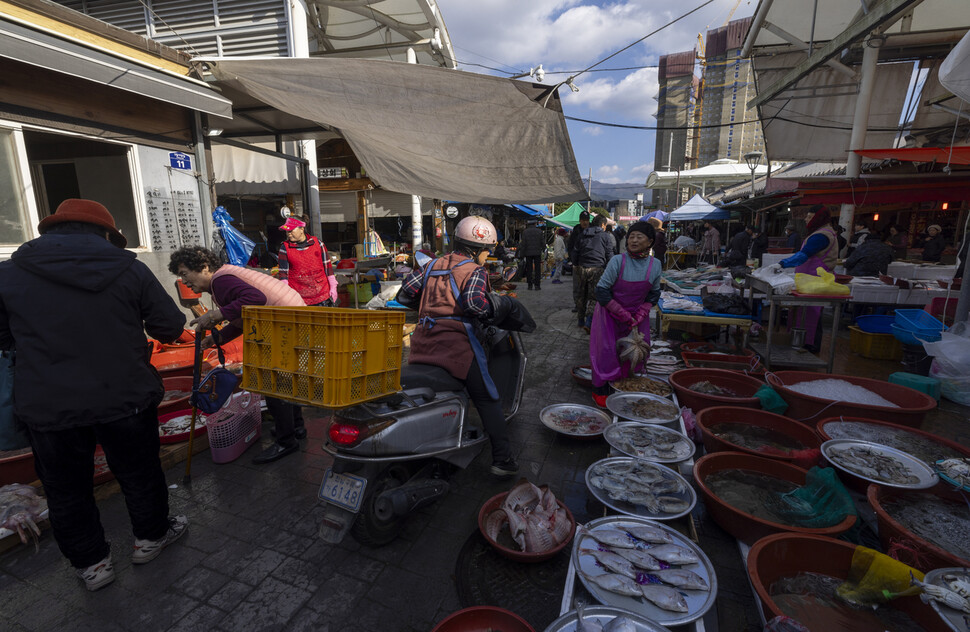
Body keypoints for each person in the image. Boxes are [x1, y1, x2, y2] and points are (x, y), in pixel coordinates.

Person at [0, 199, 188, 591]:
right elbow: (169, 327)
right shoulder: (129, 268)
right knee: (139, 472)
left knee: (65, 489)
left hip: (49, 403)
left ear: (49, 230)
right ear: (106, 235)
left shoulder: (8, 273)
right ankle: (151, 539)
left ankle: (93, 566)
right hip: (125, 396)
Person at [395, 216, 519, 477]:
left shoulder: (432, 265)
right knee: (487, 397)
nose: (487, 256)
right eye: (487, 250)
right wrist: (493, 309)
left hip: (423, 343)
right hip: (456, 346)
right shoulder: (474, 270)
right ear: (476, 249)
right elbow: (474, 304)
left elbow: (404, 293)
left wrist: (429, 308)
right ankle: (502, 459)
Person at [168, 246, 307, 465]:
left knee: (273, 384)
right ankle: (295, 427)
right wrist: (219, 338)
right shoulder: (225, 277)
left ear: (204, 267)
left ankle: (286, 441)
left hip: (287, 325)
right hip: (294, 322)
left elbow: (255, 298)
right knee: (284, 381)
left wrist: (216, 314)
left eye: (185, 274)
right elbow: (244, 314)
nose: (184, 282)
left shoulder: (221, 281)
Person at [589, 221, 662, 408]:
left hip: (637, 316)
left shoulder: (656, 265)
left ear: (650, 242)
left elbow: (654, 293)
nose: (633, 240)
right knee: (606, 352)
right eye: (631, 236)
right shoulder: (617, 261)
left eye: (639, 237)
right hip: (609, 314)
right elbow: (602, 291)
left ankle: (626, 387)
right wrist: (621, 312)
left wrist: (642, 312)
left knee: (636, 353)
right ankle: (601, 390)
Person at [777, 205, 839, 352]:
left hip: (815, 283)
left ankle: (810, 347)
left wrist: (782, 264)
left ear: (818, 218)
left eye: (810, 217)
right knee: (803, 313)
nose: (806, 219)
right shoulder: (820, 232)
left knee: (812, 315)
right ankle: (801, 344)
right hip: (807, 282)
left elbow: (805, 254)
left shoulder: (822, 235)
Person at [277, 216, 337, 306]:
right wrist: (286, 295)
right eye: (287, 231)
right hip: (299, 299)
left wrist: (333, 286)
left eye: (291, 230)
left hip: (322, 295)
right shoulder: (284, 248)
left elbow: (328, 267)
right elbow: (283, 276)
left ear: (301, 229)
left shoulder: (318, 244)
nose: (288, 234)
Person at [575, 215, 616, 331]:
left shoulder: (583, 233)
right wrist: (611, 268)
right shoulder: (605, 236)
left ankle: (580, 320)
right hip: (597, 269)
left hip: (582, 267)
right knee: (594, 296)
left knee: (581, 295)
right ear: (603, 225)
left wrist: (576, 264)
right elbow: (609, 254)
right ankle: (589, 322)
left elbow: (575, 251)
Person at [567, 211, 592, 312]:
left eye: (586, 220)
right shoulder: (576, 231)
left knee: (589, 287)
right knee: (577, 287)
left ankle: (589, 307)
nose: (585, 223)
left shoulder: (592, 230)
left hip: (590, 263)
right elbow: (570, 246)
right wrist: (573, 260)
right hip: (578, 264)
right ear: (580, 220)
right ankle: (578, 305)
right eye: (583, 220)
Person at [518, 219, 545, 290]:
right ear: (535, 224)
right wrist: (543, 249)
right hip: (537, 253)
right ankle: (537, 285)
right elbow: (543, 242)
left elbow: (523, 244)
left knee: (529, 269)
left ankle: (529, 285)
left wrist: (522, 254)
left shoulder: (525, 232)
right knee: (537, 269)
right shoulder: (539, 232)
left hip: (528, 253)